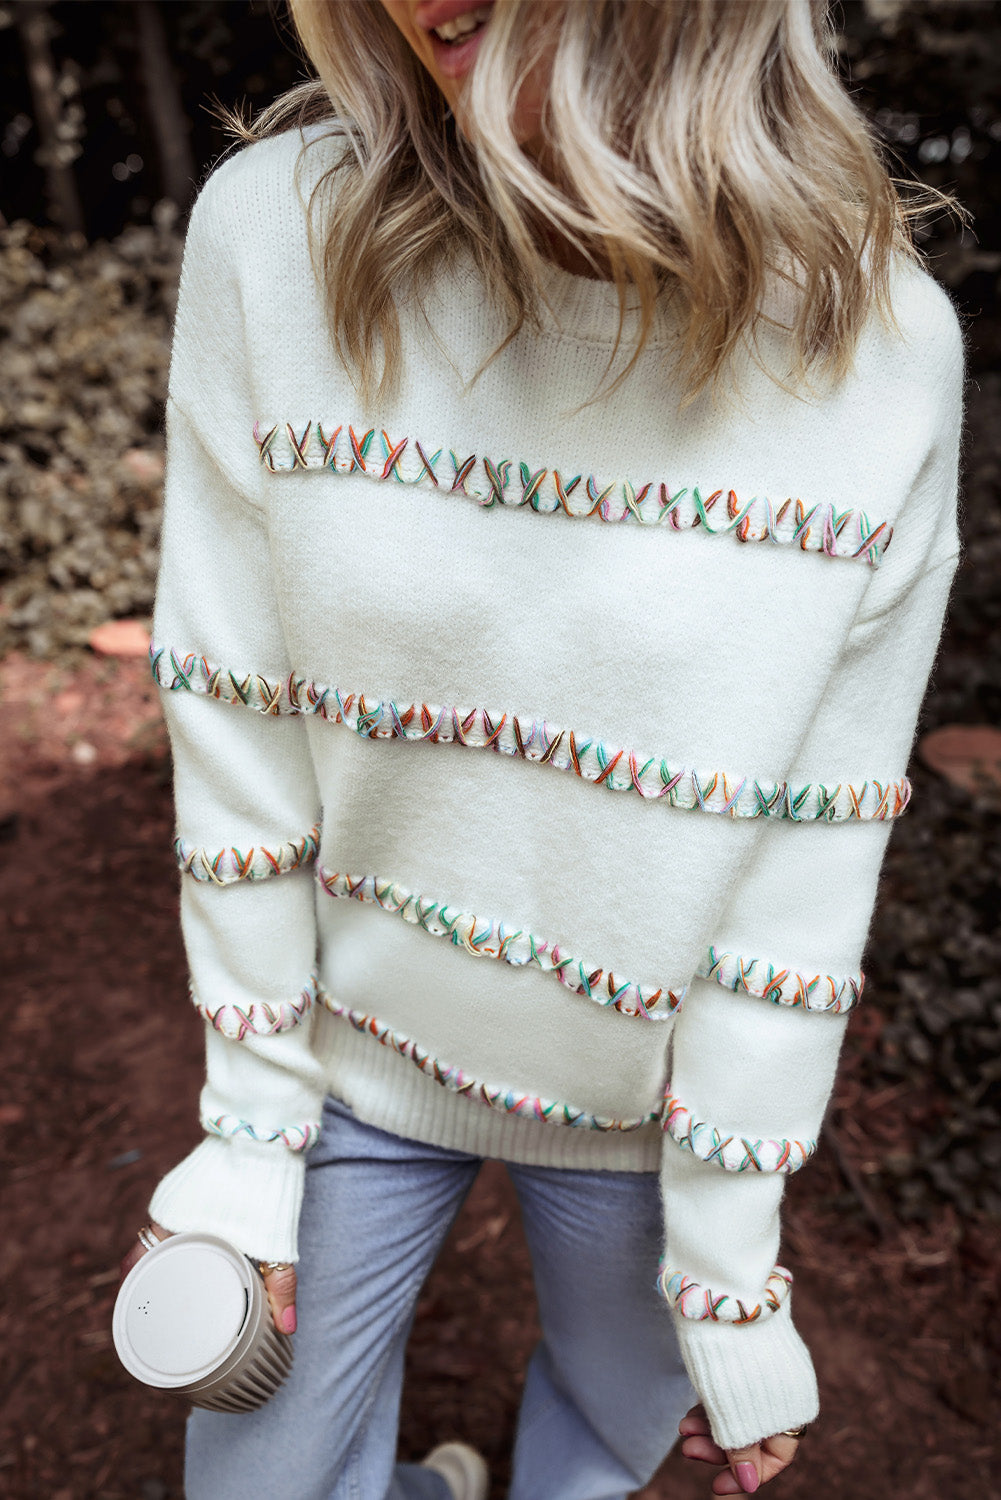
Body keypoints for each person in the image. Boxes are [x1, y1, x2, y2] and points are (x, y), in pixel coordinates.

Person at [119, 2, 964, 1497]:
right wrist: (248, 1135)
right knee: (259, 1478)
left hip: (646, 1115)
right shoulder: (276, 235)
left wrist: (728, 1268)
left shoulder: (880, 352)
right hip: (341, 1053)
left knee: (606, 1440)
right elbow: (234, 712)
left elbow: (808, 865)